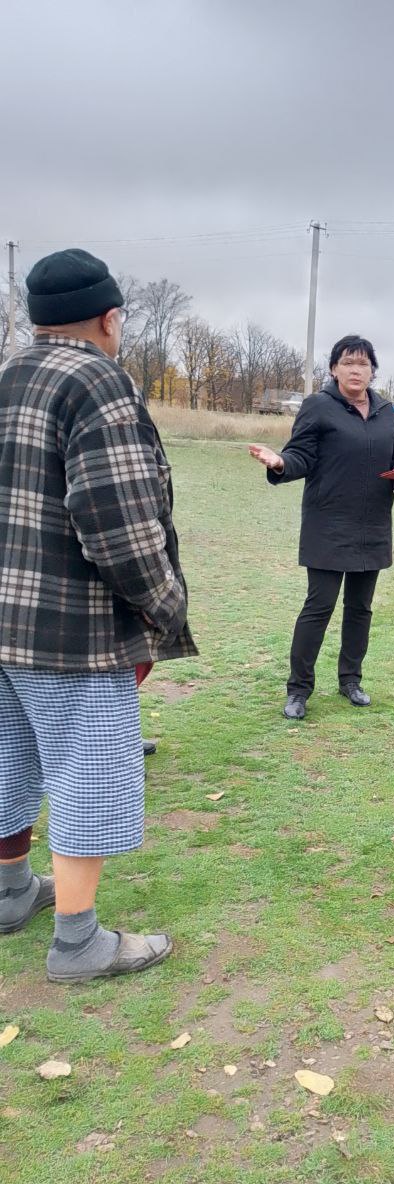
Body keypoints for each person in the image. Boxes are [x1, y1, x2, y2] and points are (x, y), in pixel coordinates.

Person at [0, 248, 195, 982]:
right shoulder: (99, 383)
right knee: (89, 769)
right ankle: (79, 942)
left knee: (8, 755)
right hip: (70, 627)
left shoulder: (8, 375)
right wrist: (162, 603)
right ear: (110, 318)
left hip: (3, 619)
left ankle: (10, 891)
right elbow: (115, 521)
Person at [249, 335, 394, 719]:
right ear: (333, 369)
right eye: (348, 362)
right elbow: (300, 456)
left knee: (360, 609)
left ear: (373, 370)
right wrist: (280, 463)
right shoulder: (318, 407)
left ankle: (350, 681)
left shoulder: (386, 411)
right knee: (318, 607)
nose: (356, 370)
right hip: (328, 524)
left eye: (363, 363)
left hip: (373, 525)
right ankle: (298, 691)